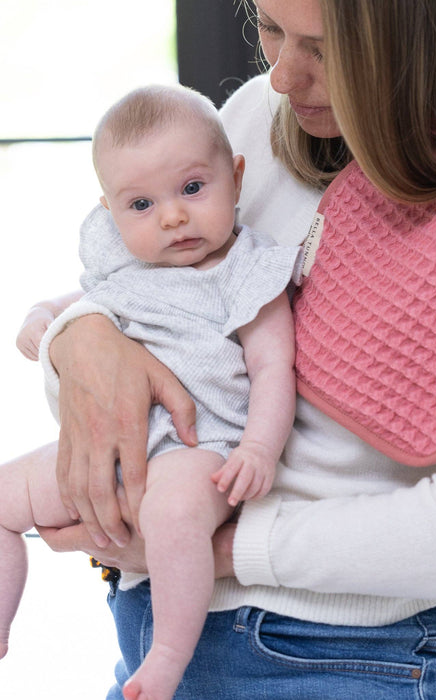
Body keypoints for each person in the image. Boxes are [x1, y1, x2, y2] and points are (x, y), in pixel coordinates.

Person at [6, 1, 436, 697]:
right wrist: (82, 341)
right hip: (148, 636)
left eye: (322, 48)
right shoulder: (250, 123)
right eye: (271, 29)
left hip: (348, 662)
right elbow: (158, 331)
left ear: (420, 39)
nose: (281, 76)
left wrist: (208, 545)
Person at [1, 84, 300, 700]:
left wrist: (259, 450)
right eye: (140, 204)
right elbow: (73, 305)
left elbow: (275, 368)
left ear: (235, 178)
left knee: (173, 515)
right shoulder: (122, 265)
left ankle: (167, 655)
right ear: (110, 212)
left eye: (193, 189)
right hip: (109, 452)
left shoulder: (242, 271)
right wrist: (41, 317)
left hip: (201, 447)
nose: (172, 216)